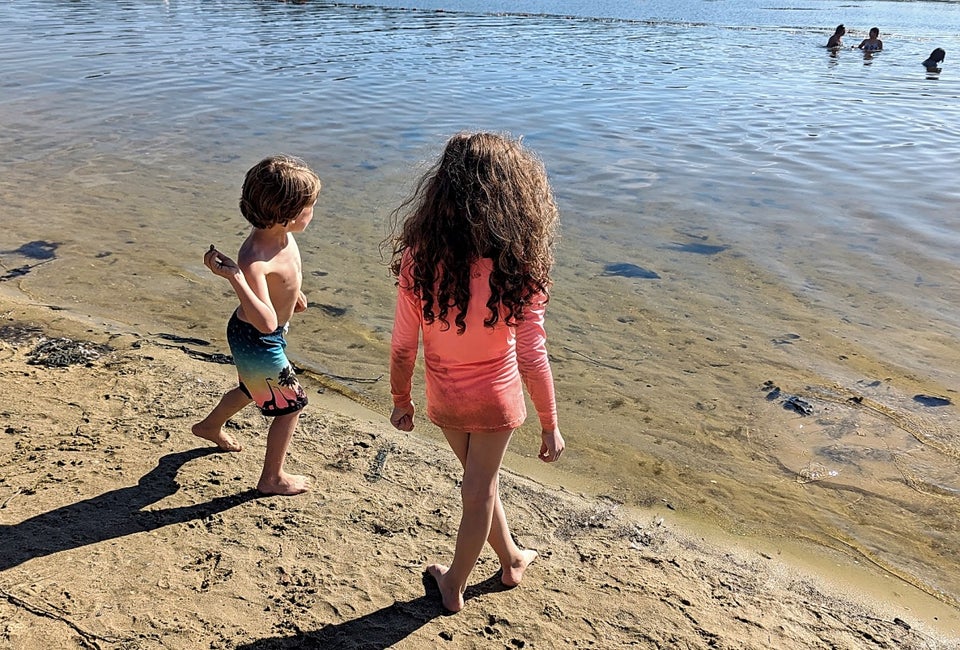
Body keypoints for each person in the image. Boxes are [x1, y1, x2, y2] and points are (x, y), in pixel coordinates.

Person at [386, 132, 565, 612]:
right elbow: (532, 354)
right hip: (497, 398)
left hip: (444, 397)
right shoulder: (519, 266)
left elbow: (404, 346)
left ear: (442, 191)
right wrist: (550, 422)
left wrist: (401, 399)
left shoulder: (419, 259)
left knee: (477, 483)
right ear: (517, 197)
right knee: (479, 487)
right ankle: (455, 584)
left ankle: (510, 560)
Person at [192, 155, 321, 496]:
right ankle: (272, 478)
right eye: (311, 206)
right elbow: (264, 322)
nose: (313, 212)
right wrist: (235, 277)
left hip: (266, 335)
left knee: (252, 389)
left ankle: (209, 426)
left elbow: (287, 276)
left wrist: (294, 294)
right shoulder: (254, 258)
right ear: (290, 215)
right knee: (292, 405)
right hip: (257, 339)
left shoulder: (281, 237)